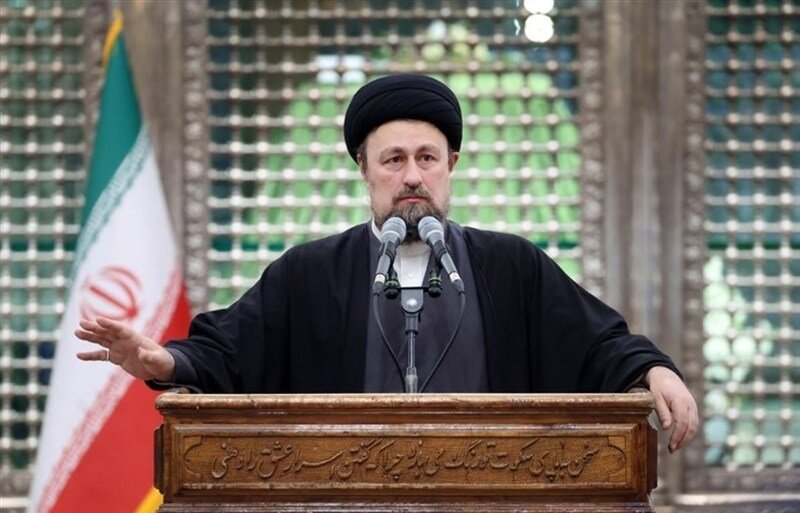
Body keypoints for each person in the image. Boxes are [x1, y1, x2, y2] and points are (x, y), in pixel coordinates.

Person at [75, 73, 698, 452]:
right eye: (393, 160)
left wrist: (652, 370)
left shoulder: (510, 266)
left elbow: (596, 343)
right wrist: (162, 362)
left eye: (427, 158)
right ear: (365, 171)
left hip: (492, 511)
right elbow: (231, 351)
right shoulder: (310, 273)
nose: (412, 176)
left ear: (451, 166)